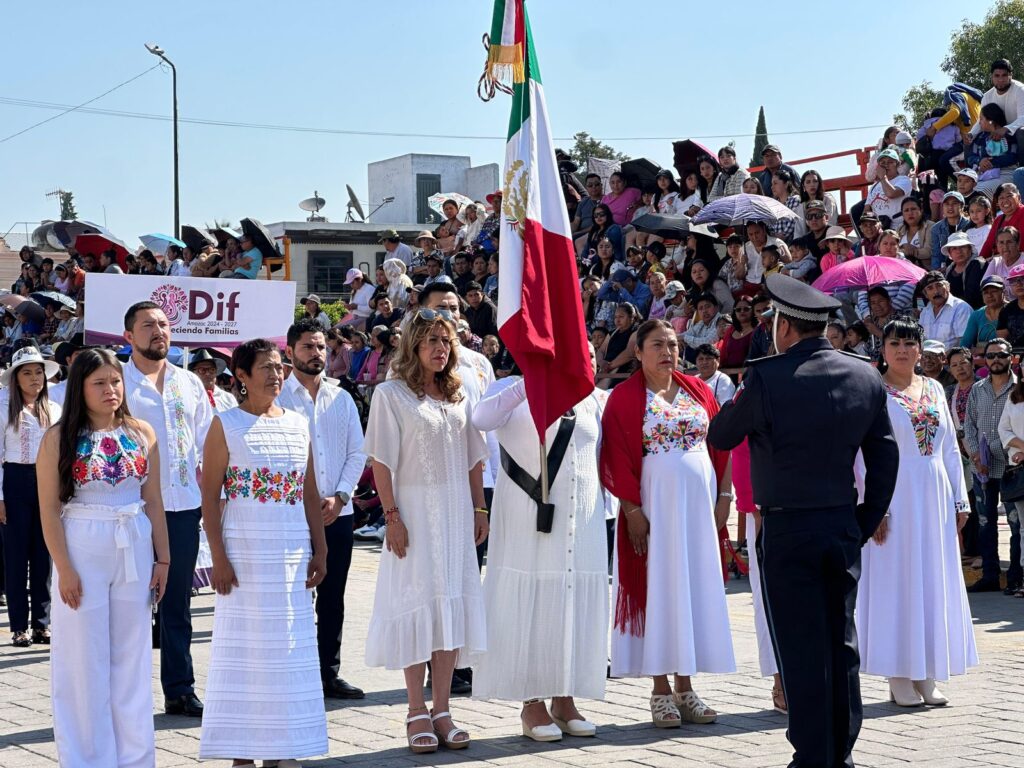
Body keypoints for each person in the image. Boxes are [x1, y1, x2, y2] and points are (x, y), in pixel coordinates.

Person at [707, 274, 899, 768]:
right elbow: (884, 458)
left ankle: (813, 755)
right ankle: (842, 752)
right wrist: (864, 519)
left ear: (785, 328)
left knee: (800, 645)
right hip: (840, 524)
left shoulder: (766, 377)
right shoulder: (864, 375)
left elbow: (723, 434)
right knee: (841, 641)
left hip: (789, 528)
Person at [363, 309, 489, 753]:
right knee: (417, 605)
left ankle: (443, 709)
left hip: (455, 513)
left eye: (447, 341)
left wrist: (479, 507)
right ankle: (415, 709)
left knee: (448, 610)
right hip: (413, 514)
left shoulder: (460, 395)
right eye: (432, 340)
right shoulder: (390, 394)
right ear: (413, 344)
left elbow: (475, 458)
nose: (441, 348)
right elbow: (381, 461)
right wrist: (392, 517)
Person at [38, 348, 170, 767]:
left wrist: (163, 559)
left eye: (115, 381)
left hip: (133, 543)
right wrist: (64, 568)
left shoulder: (142, 432)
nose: (110, 389)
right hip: (82, 545)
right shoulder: (58, 438)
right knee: (83, 659)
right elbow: (49, 510)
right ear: (80, 387)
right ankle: (87, 758)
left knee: (132, 657)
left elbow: (154, 500)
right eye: (99, 382)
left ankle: (134, 757)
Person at [198, 338, 329, 764]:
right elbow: (210, 496)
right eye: (267, 368)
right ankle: (241, 751)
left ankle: (281, 746)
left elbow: (309, 492)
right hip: (244, 552)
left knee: (287, 646)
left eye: (280, 367)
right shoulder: (225, 424)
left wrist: (320, 547)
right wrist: (218, 557)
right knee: (246, 651)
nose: (276, 375)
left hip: (290, 552)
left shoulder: (297, 422)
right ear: (241, 377)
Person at [600, 320, 734, 728]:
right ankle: (660, 690)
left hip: (697, 509)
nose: (668, 352)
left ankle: (686, 687)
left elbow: (721, 444)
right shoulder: (624, 398)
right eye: (657, 345)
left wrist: (724, 497)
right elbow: (617, 458)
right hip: (654, 509)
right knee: (660, 589)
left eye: (673, 345)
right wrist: (633, 511)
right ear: (637, 351)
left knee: (690, 590)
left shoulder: (698, 390)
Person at [471, 350, 608, 741]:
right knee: (531, 602)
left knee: (570, 602)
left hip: (580, 519)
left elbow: (595, 456)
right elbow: (482, 419)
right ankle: (531, 703)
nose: (588, 360)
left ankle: (565, 699)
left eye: (592, 354)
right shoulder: (510, 388)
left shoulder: (591, 398)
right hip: (526, 518)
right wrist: (531, 382)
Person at [858, 320, 978, 707]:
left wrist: (959, 500)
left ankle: (926, 670)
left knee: (932, 580)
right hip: (893, 496)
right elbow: (863, 455)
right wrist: (874, 507)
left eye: (911, 343)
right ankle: (898, 673)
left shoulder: (933, 389)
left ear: (921, 349)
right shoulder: (874, 392)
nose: (904, 350)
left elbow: (948, 449)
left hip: (934, 496)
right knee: (898, 581)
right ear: (883, 348)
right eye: (895, 343)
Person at [122, 301, 213, 717]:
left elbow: (207, 441)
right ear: (128, 336)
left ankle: (179, 688)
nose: (158, 331)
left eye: (163, 324)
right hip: (130, 508)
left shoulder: (188, 382)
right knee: (128, 603)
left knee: (177, 602)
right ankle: (125, 694)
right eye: (147, 325)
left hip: (182, 506)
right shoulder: (116, 383)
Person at [278, 319, 368, 700]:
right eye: (307, 347)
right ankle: (294, 670)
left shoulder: (341, 397)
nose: (316, 354)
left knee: (333, 595)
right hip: (293, 515)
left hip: (338, 514)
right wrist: (305, 499)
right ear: (290, 352)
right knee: (295, 594)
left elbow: (357, 451)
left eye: (320, 347)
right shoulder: (278, 398)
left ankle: (328, 672)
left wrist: (341, 496)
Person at [0, 347, 61, 647]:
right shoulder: (2, 407)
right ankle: (18, 626)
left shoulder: (55, 409)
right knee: (15, 556)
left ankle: (41, 623)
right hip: (13, 481)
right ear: (16, 377)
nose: (35, 378)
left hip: (46, 482)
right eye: (27, 372)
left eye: (38, 372)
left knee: (44, 554)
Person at [963, 337, 1022, 595]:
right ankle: (989, 575)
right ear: (984, 360)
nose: (995, 360)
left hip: (1012, 467)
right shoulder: (977, 389)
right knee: (986, 523)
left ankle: (1016, 577)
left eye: (1001, 355)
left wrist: (999, 450)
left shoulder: (1020, 389)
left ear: (1011, 358)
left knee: (1016, 524)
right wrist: (976, 455)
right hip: (982, 470)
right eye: (990, 356)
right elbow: (968, 425)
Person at [997, 371, 1024, 598]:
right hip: (1021, 468)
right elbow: (1003, 429)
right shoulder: (1014, 396)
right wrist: (1021, 447)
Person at [918, 271, 971, 351]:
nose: (936, 291)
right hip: (928, 361)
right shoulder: (925, 312)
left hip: (952, 361)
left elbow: (964, 345)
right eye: (930, 288)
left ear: (948, 287)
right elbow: (921, 341)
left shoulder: (961, 308)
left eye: (939, 285)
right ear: (926, 295)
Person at [963, 275, 1007, 353]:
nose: (989, 295)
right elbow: (965, 345)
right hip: (979, 362)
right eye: (986, 292)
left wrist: (981, 350)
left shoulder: (1013, 311)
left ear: (1004, 292)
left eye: (994, 291)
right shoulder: (976, 315)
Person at [980, 184, 1024, 259]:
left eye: (1009, 196)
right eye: (1001, 198)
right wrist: (980, 261)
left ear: (1018, 197)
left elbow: (1021, 247)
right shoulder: (998, 219)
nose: (1005, 201)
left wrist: (994, 259)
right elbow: (988, 245)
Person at [942, 231, 985, 308]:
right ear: (950, 253)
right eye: (954, 248)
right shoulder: (949, 269)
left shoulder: (978, 265)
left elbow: (973, 295)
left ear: (970, 249)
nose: (959, 251)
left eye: (962, 247)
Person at [931, 191, 971, 269]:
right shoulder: (936, 228)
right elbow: (936, 254)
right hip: (945, 267)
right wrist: (936, 271)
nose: (950, 207)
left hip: (967, 264)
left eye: (954, 203)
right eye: (947, 204)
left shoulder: (970, 225)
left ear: (962, 206)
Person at [997, 262, 1024, 346]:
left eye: (1023, 279)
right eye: (1013, 281)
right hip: (1015, 356)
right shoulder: (1006, 310)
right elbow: (1001, 342)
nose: (1019, 284)